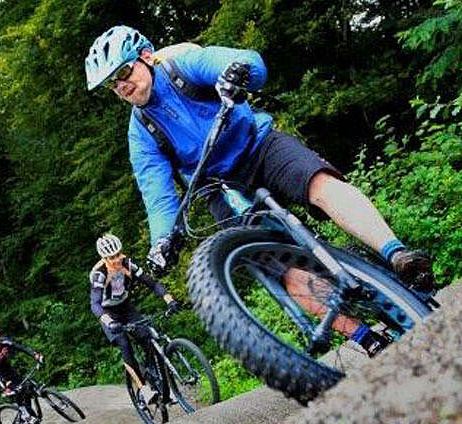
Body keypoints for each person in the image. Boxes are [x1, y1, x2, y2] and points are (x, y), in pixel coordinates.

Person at [84, 26, 435, 295]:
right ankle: (364, 335)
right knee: (271, 265)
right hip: (217, 186)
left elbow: (246, 62)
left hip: (258, 145)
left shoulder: (182, 66)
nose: (120, 86)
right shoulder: (140, 132)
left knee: (319, 183)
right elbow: (156, 192)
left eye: (123, 73)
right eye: (111, 85)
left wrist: (238, 73)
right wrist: (162, 241)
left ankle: (398, 256)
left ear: (145, 56)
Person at [89, 233, 181, 406]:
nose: (117, 260)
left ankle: (163, 386)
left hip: (125, 307)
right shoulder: (99, 274)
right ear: (104, 258)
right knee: (124, 344)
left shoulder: (128, 264)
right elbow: (94, 304)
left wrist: (169, 299)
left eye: (118, 254)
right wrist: (108, 322)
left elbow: (152, 283)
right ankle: (143, 389)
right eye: (112, 257)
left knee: (148, 338)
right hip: (108, 313)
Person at [0, 328, 44, 424]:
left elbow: (20, 347)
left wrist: (35, 354)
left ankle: (27, 413)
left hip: (9, 369)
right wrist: (5, 387)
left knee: (26, 389)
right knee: (17, 390)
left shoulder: (4, 341)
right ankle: (26, 416)